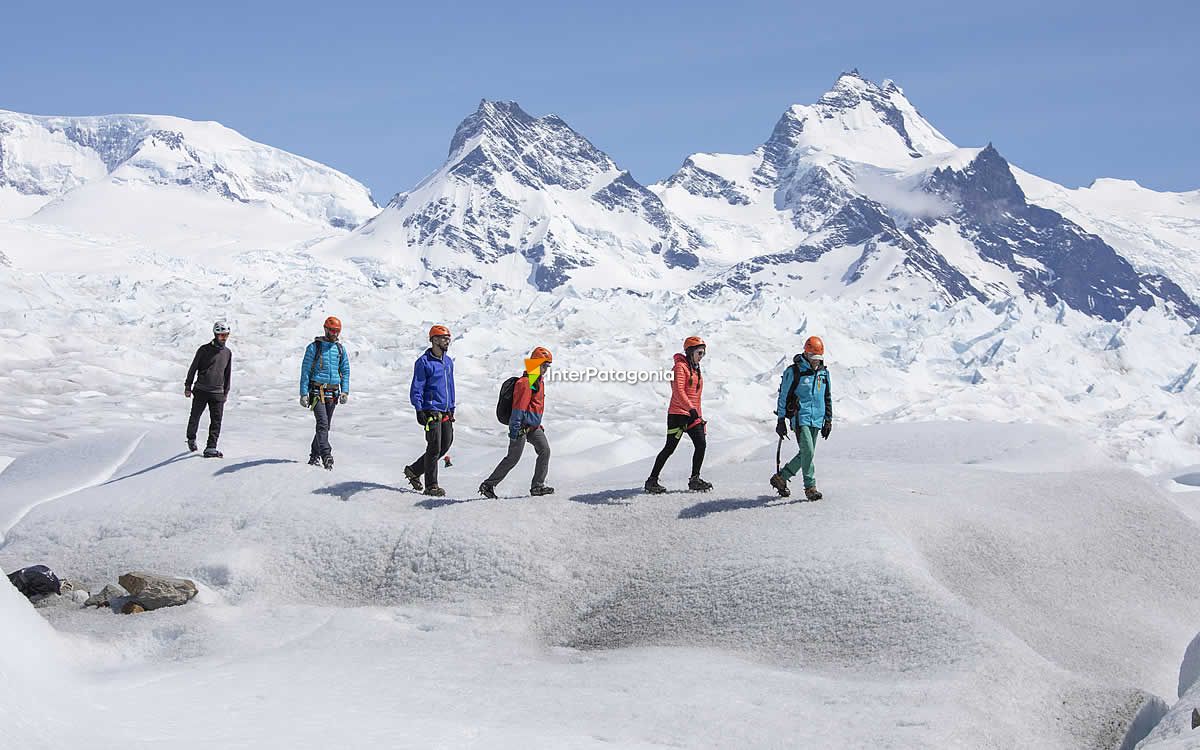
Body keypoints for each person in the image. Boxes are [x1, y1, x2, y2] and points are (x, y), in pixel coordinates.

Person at [480, 347, 554, 498]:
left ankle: (537, 486)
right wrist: (515, 429)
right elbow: (518, 408)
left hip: (533, 427)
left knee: (545, 450)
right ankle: (488, 485)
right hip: (520, 427)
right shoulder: (525, 382)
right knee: (513, 458)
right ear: (536, 363)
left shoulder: (537, 380)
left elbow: (533, 407)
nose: (546, 369)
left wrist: (536, 424)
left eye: (547, 366)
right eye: (544, 365)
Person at [644, 336, 712, 494]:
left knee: (701, 444)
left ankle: (695, 479)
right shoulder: (679, 368)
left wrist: (699, 417)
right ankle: (652, 480)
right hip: (678, 415)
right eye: (699, 353)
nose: (701, 356)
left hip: (692, 415)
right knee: (669, 448)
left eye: (703, 353)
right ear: (690, 352)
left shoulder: (695, 369)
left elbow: (697, 397)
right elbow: (678, 391)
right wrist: (691, 409)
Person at [770, 336, 833, 500]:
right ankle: (810, 487)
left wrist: (828, 420)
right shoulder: (794, 371)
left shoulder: (823, 373)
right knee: (808, 451)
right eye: (813, 358)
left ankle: (781, 478)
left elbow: (827, 397)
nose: (815, 362)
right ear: (806, 354)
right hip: (800, 417)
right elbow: (783, 396)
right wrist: (781, 420)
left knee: (807, 453)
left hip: (817, 419)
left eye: (818, 358)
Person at [404, 325, 456, 497]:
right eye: (443, 338)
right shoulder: (423, 362)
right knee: (434, 447)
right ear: (434, 340)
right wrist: (419, 409)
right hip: (431, 411)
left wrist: (452, 407)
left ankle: (414, 470)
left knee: (445, 444)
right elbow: (416, 388)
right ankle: (431, 486)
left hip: (446, 411)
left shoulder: (448, 362)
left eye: (448, 338)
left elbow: (451, 386)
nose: (447, 341)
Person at [300, 316, 350, 470]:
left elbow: (345, 370)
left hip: (333, 393)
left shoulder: (340, 349)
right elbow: (306, 371)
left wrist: (345, 391)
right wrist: (303, 393)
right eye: (332, 330)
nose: (335, 334)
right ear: (326, 329)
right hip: (317, 392)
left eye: (337, 331)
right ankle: (326, 455)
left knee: (325, 426)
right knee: (322, 424)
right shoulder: (314, 348)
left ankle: (314, 456)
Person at [185, 321, 232, 458]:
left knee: (216, 421)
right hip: (201, 390)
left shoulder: (228, 353)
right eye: (221, 335)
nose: (224, 337)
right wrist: (188, 386)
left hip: (217, 393)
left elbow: (227, 374)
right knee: (195, 416)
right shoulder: (204, 350)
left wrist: (225, 392)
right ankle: (191, 438)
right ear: (215, 334)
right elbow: (193, 368)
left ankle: (211, 448)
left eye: (226, 335)